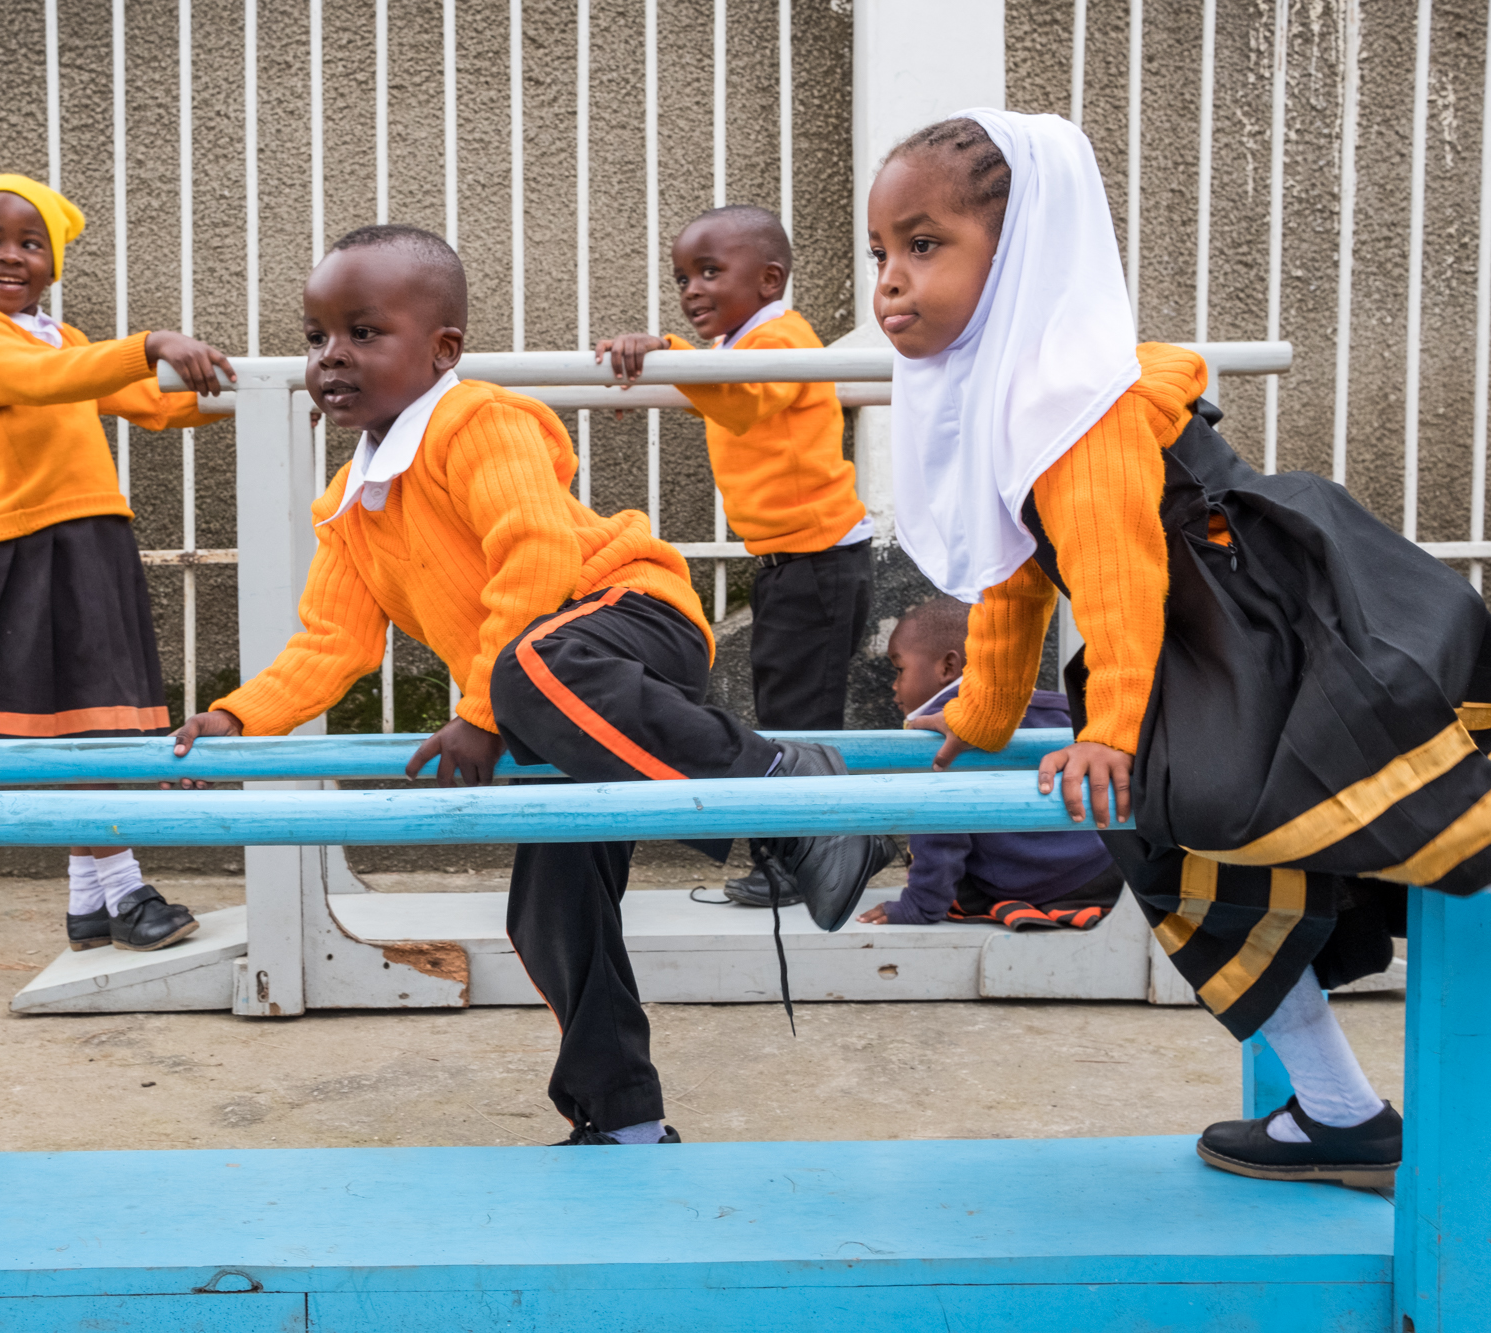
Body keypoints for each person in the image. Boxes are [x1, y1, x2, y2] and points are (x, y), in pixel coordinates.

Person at [870, 108, 1491, 1188]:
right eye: (880, 253)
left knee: (1198, 835)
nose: (889, 281)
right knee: (1193, 865)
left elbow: (1113, 574)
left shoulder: (1075, 401)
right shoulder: (1021, 396)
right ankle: (1339, 1112)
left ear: (1017, 256)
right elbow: (1017, 579)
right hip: (1206, 645)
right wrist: (974, 719)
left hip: (1265, 634)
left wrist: (1108, 733)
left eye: (924, 246)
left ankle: (1344, 1113)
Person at [169, 223, 893, 1147]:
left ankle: (791, 797)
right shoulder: (353, 503)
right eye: (317, 338)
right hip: (545, 692)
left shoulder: (481, 423)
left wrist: (478, 712)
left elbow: (538, 555)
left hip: (626, 620)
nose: (331, 359)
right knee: (548, 911)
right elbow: (331, 643)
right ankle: (624, 1119)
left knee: (531, 670)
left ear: (443, 351)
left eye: (364, 333)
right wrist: (238, 716)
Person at [0, 173, 230, 954]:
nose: (10, 256)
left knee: (89, 718)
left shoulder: (61, 338)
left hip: (92, 538)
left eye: (30, 244)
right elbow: (42, 381)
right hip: (33, 542)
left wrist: (263, 392)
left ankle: (88, 904)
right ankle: (128, 887)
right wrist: (147, 344)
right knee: (76, 724)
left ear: (54, 263)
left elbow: (155, 402)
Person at [595, 205, 872, 907]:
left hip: (817, 565)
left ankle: (796, 863)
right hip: (798, 564)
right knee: (786, 712)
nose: (691, 290)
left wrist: (663, 353)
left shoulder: (784, 339)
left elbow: (746, 401)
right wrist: (656, 370)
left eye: (710, 272)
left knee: (796, 722)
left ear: (769, 277)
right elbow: (729, 398)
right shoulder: (743, 349)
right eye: (683, 275)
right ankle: (813, 853)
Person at [854, 595, 1121, 928]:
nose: (894, 688)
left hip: (1040, 885)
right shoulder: (1054, 709)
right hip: (1108, 867)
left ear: (947, 668)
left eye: (899, 669)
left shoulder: (942, 734)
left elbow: (940, 836)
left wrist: (919, 907)